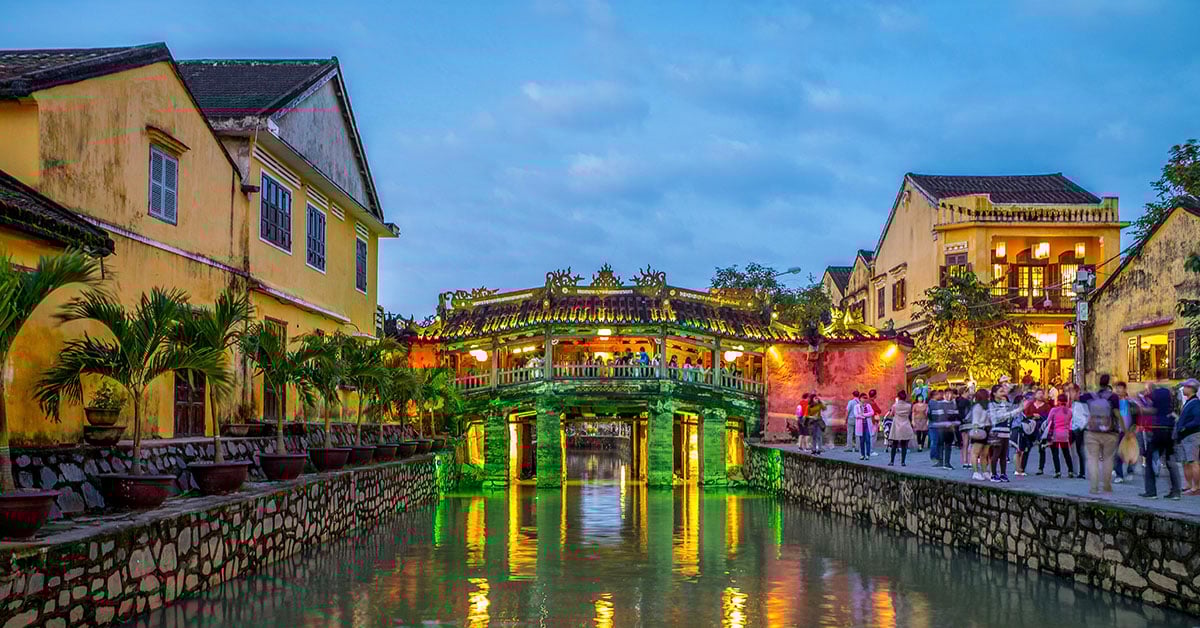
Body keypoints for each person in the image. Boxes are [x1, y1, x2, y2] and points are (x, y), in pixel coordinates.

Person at [1141, 384, 1183, 500]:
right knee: (1170, 460)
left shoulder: (1157, 401)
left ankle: (1151, 491)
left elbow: (1150, 409)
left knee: (1149, 459)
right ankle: (1176, 491)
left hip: (1158, 431)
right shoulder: (1169, 407)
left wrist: (1139, 407)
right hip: (1169, 432)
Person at [1083, 375, 1121, 494]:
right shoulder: (1113, 397)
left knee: (1092, 459)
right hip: (1109, 432)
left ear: (1098, 383)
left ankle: (1094, 487)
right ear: (1109, 383)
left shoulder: (1090, 396)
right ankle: (1107, 485)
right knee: (1108, 459)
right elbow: (1117, 413)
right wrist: (1123, 428)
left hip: (1092, 431)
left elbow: (1077, 399)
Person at [988, 384, 1025, 483]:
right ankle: (994, 474)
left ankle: (1003, 473)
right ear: (994, 393)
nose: (1003, 393)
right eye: (1000, 391)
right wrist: (1015, 411)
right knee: (996, 454)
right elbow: (998, 418)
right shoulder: (992, 405)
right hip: (997, 432)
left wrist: (1018, 409)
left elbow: (1011, 413)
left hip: (1006, 431)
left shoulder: (1004, 403)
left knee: (1004, 455)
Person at [1175, 378, 1200, 494]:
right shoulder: (1189, 402)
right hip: (1185, 436)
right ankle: (1188, 485)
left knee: (1193, 461)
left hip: (1191, 436)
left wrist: (1185, 427)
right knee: (1186, 462)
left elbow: (1197, 420)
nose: (1183, 388)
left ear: (1191, 388)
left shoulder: (1195, 403)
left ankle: (1196, 487)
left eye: (1185, 386)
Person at [929, 389, 960, 469]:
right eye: (947, 394)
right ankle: (940, 461)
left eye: (950, 394)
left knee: (948, 445)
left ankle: (947, 462)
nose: (949, 395)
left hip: (949, 427)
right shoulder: (939, 404)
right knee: (940, 444)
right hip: (941, 427)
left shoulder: (954, 404)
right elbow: (935, 415)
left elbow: (956, 415)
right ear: (944, 395)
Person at [1046, 393, 1075, 478]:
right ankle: (1070, 471)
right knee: (1066, 453)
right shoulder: (1069, 411)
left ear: (1058, 401)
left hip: (1055, 435)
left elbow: (1048, 421)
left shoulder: (1054, 410)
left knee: (1055, 454)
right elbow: (1070, 422)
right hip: (1065, 435)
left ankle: (1058, 472)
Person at [966, 389, 993, 480]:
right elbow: (976, 421)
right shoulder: (979, 407)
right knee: (976, 452)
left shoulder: (986, 406)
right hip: (981, 429)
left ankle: (984, 471)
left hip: (986, 429)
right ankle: (976, 472)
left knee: (984, 453)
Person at [887, 391, 915, 466]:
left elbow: (891, 414)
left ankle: (892, 461)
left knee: (894, 444)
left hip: (896, 424)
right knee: (904, 445)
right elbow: (909, 414)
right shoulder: (909, 406)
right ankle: (903, 462)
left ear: (898, 397)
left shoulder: (895, 405)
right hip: (905, 424)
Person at [1070, 384, 1088, 479]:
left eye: (1072, 392)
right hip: (1071, 428)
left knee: (1079, 450)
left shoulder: (1082, 402)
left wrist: (1080, 427)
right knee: (1070, 449)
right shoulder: (1071, 403)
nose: (1070, 394)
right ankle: (1072, 470)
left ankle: (1082, 472)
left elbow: (1086, 416)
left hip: (1078, 429)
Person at [955, 387, 973, 469]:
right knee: (969, 443)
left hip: (962, 424)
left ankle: (965, 461)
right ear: (965, 392)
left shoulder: (958, 401)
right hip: (969, 423)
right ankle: (969, 461)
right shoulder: (966, 402)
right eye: (968, 392)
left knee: (965, 443)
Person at [856, 391, 876, 461]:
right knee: (861, 440)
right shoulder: (857, 406)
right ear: (860, 398)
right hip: (860, 425)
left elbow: (872, 412)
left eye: (866, 398)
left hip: (867, 425)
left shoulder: (868, 406)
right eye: (863, 398)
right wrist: (862, 416)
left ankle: (867, 454)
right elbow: (856, 415)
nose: (865, 399)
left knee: (868, 439)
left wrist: (864, 415)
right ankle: (862, 454)